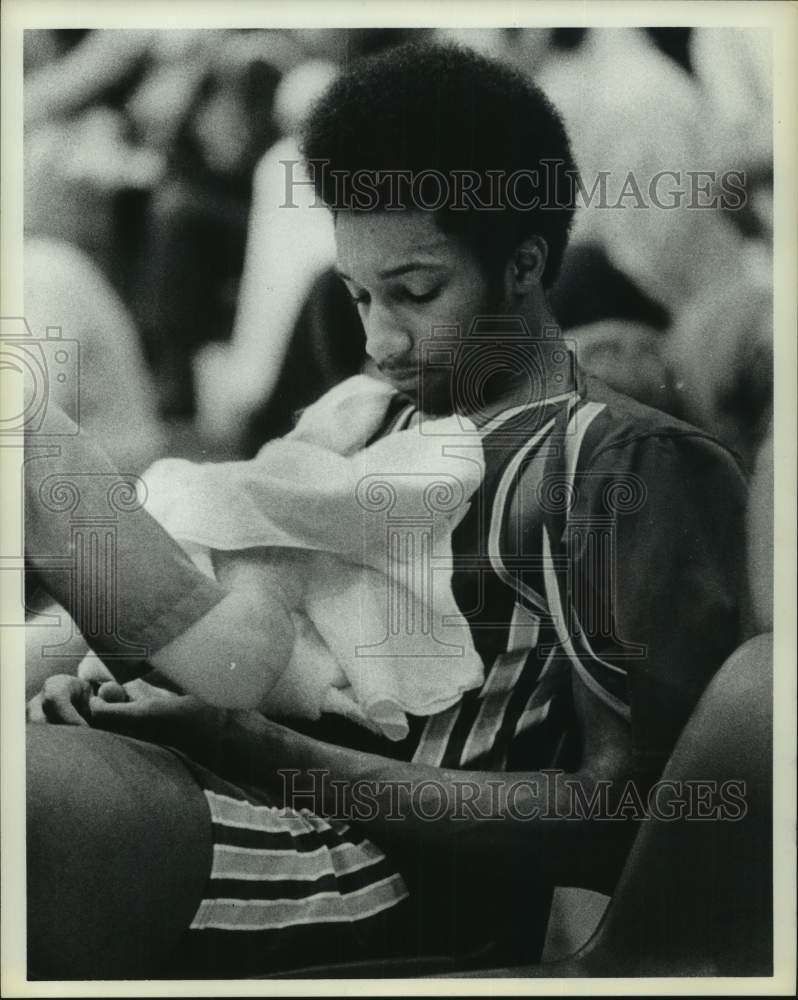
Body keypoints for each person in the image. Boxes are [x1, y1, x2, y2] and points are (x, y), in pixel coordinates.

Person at [26, 42, 749, 979]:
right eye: (360, 294)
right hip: (243, 779)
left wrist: (256, 743)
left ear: (524, 264)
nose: (379, 337)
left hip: (388, 880)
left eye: (415, 293)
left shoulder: (621, 460)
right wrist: (146, 701)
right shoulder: (371, 418)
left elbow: (631, 826)